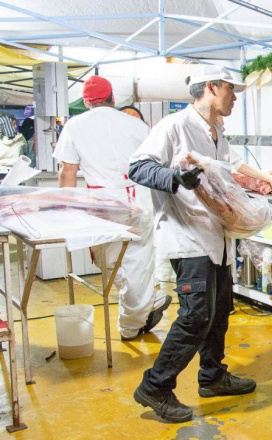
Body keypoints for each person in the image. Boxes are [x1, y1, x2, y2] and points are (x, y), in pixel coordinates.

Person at [128, 65, 256, 423]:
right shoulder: (174, 126)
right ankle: (156, 386)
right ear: (212, 87)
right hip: (187, 237)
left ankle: (213, 376)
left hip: (217, 236)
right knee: (196, 315)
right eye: (232, 89)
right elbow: (137, 167)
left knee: (218, 313)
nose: (235, 97)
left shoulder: (218, 133)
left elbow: (224, 177)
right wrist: (175, 177)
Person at [53, 76, 172, 341]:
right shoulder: (136, 124)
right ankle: (148, 303)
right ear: (113, 99)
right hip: (139, 199)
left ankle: (131, 324)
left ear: (86, 101)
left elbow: (67, 171)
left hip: (103, 205)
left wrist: (66, 211)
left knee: (109, 262)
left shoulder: (74, 126)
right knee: (138, 262)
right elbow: (156, 163)